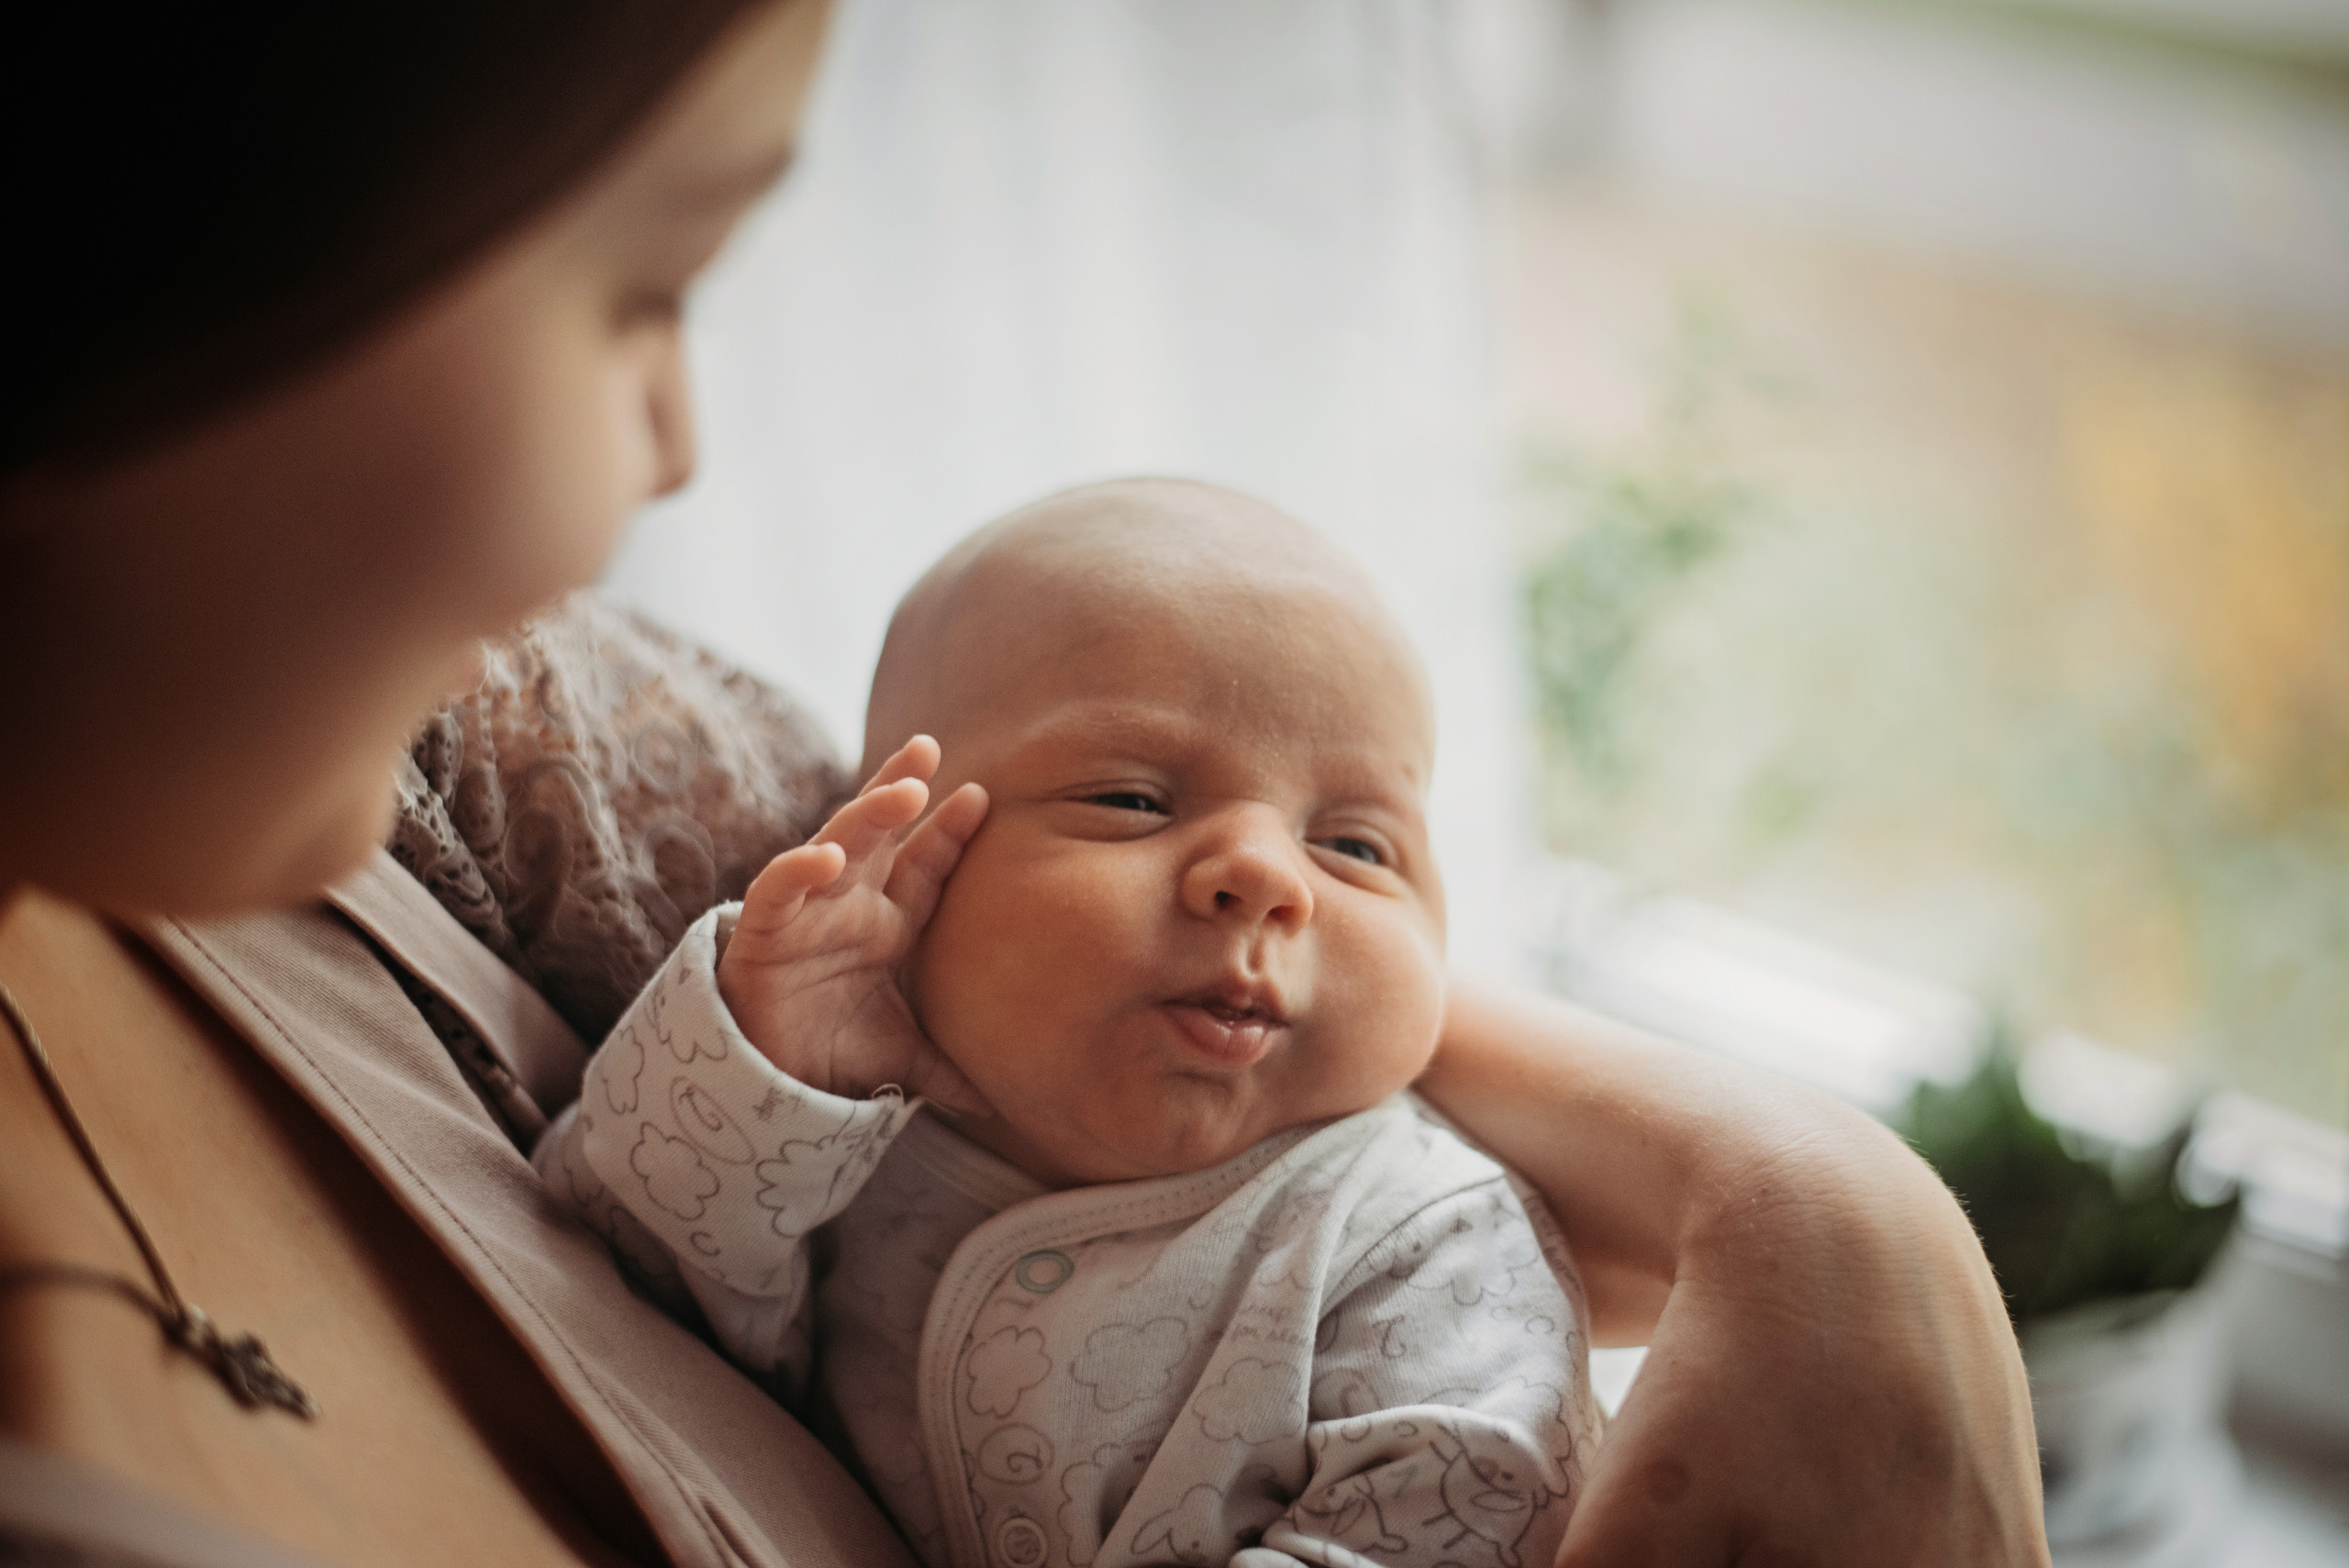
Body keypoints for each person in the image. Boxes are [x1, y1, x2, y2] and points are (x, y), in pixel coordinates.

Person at [0, 2, 2049, 1564]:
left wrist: (1814, 1195)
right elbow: (646, 1219)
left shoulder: (482, 744)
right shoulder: (882, 1075)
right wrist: (767, 1054)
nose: (678, 452)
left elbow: (1448, 1481)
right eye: (642, 282)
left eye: (1357, 843)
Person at [540, 481, 1603, 1568]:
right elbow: (600, 1282)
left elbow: (1472, 1510)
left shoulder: (1430, 1243)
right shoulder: (831, 1121)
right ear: (904, 857)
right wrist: (759, 1069)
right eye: (1132, 800)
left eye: (1357, 847)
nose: (1266, 878)